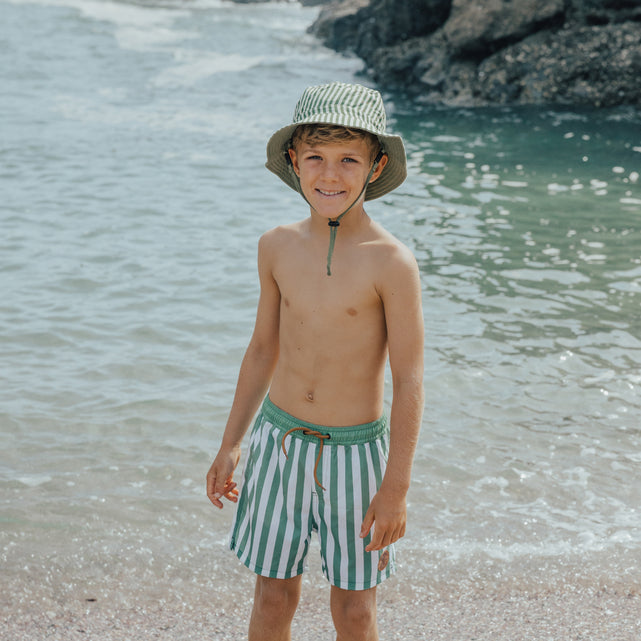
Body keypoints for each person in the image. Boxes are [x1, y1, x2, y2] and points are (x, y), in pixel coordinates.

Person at [206, 81, 424, 641]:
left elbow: (409, 378)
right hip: (280, 446)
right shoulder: (275, 245)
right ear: (293, 162)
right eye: (316, 159)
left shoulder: (392, 262)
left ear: (375, 167)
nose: (331, 175)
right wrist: (232, 443)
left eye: (349, 159)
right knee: (272, 596)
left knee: (355, 609)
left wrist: (395, 486)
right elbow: (261, 350)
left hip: (358, 456)